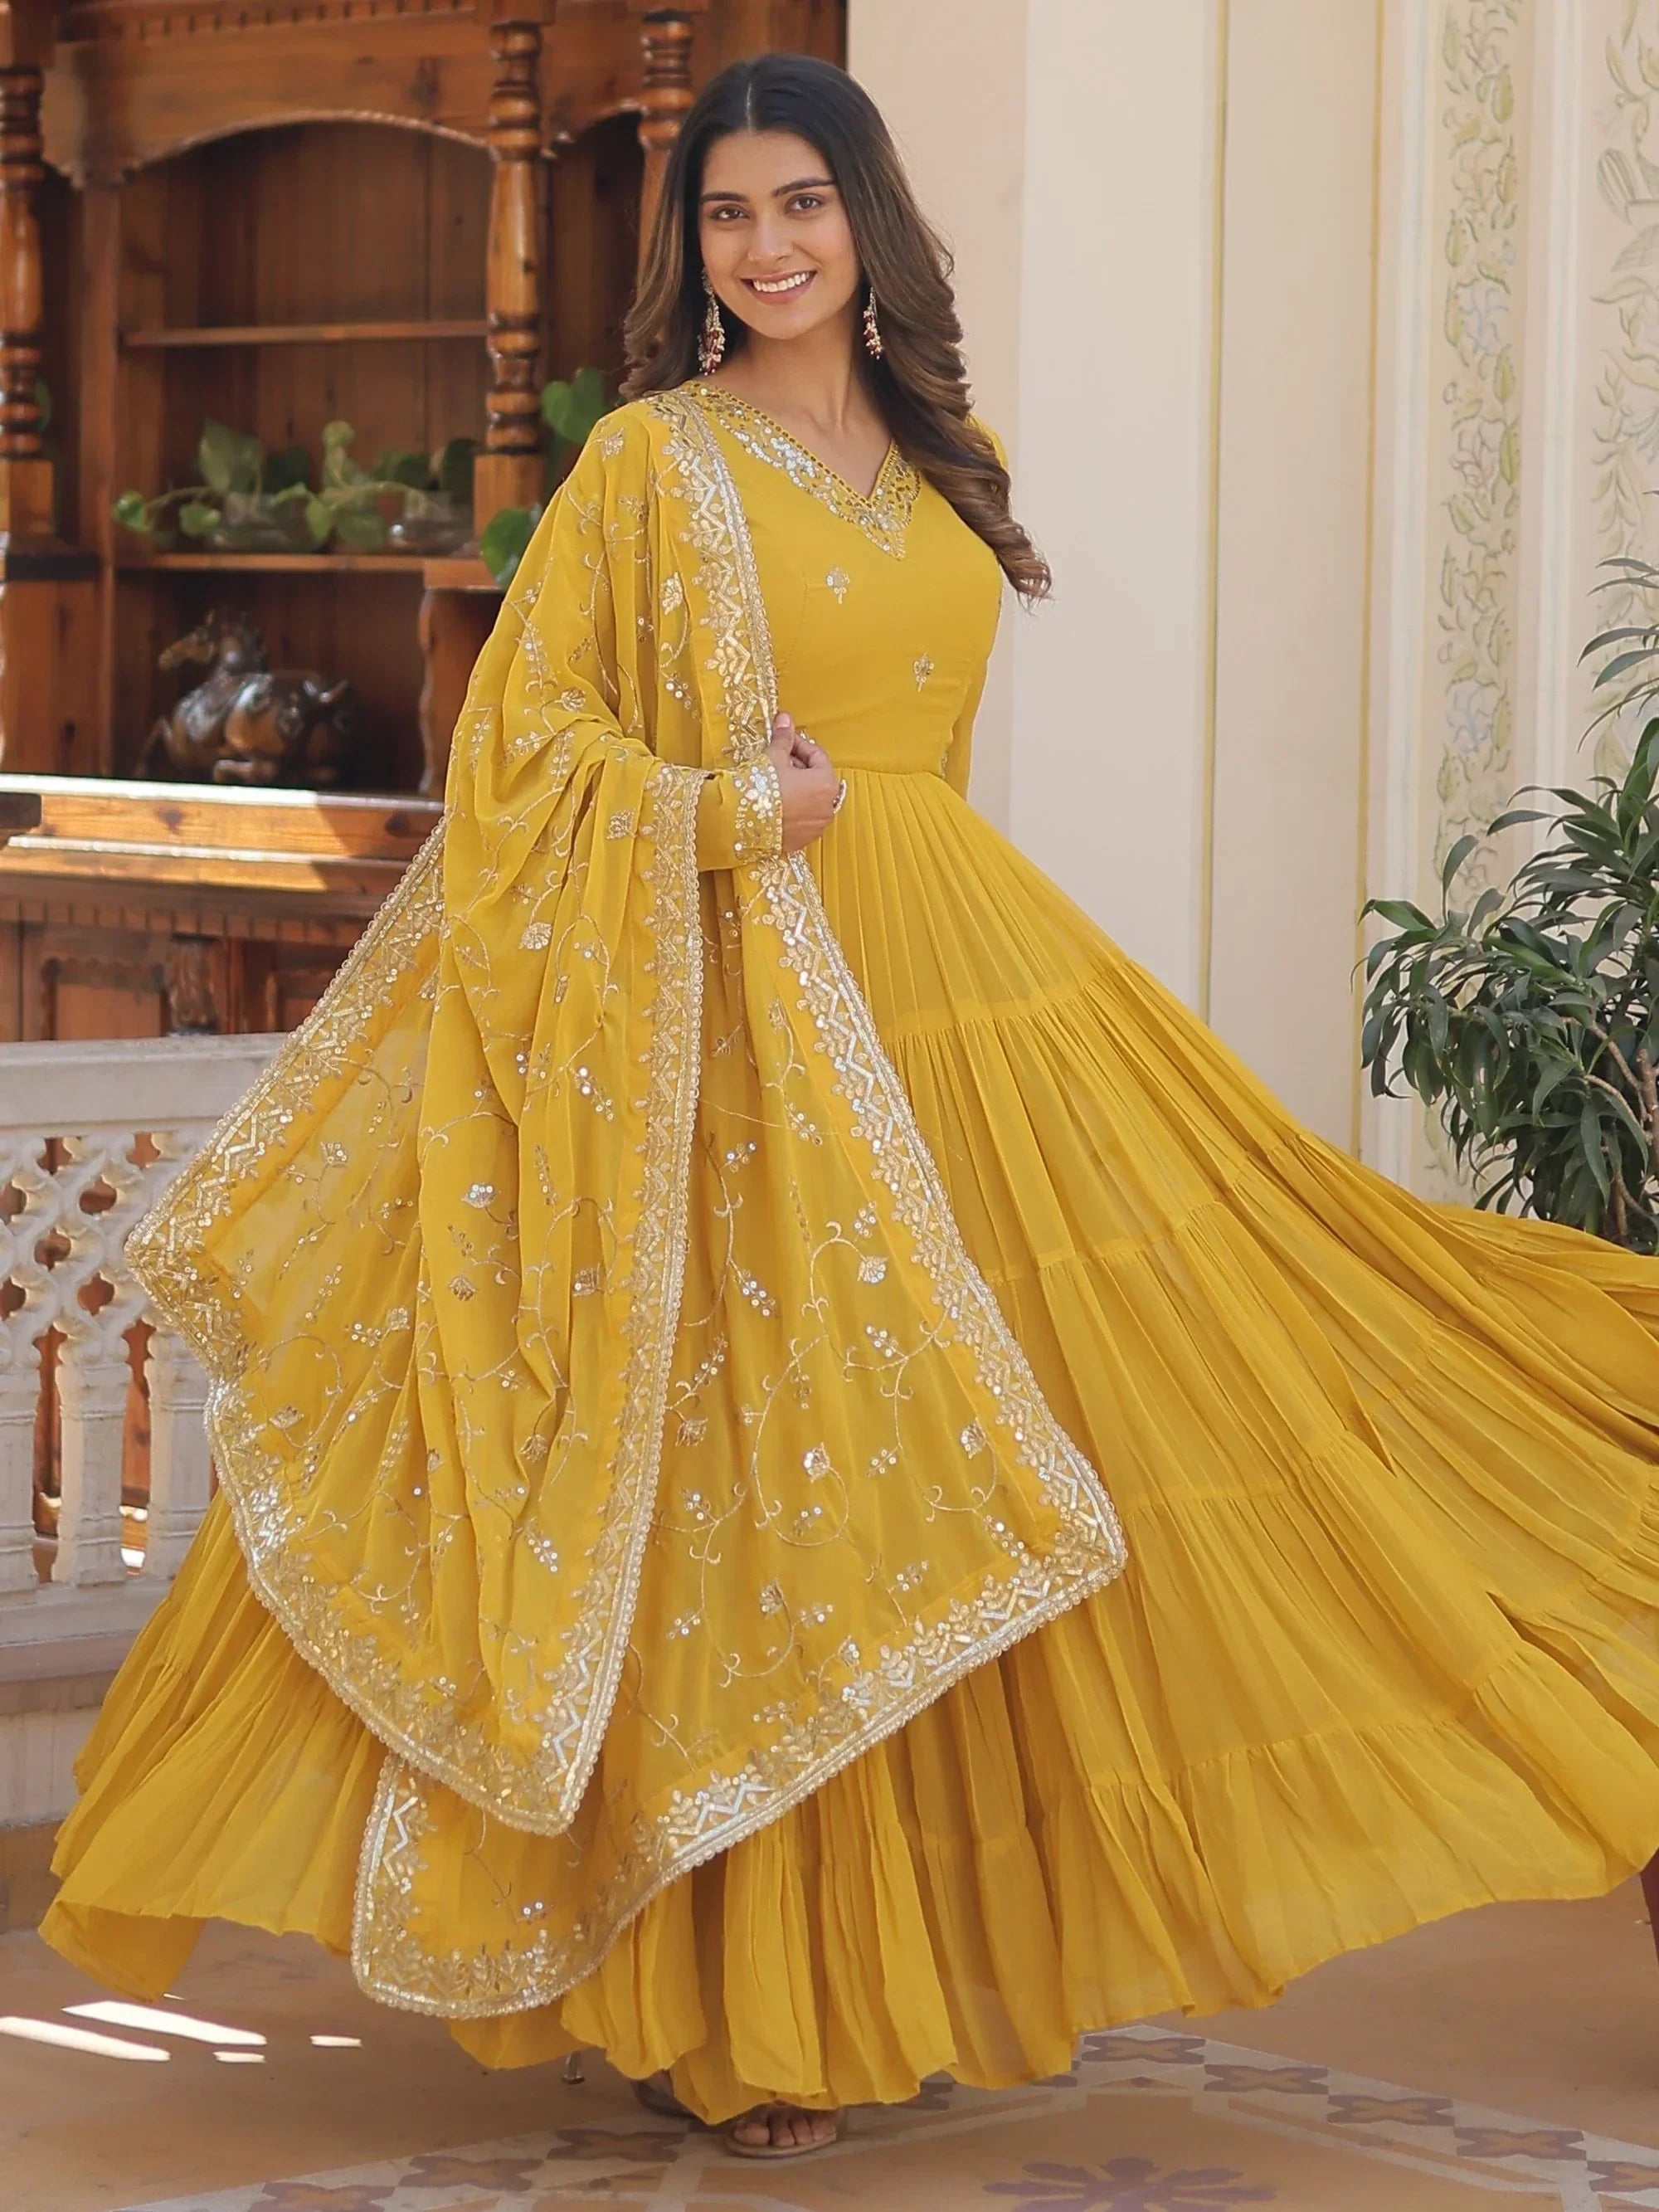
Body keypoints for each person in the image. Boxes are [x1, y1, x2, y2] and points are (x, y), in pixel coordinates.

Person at [42, 51, 1659, 2165]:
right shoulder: (649, 462)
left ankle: (924, 1954)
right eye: (727, 214)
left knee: (1012, 1441)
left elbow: (921, 751)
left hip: (965, 982)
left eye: (800, 204)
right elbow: (518, 752)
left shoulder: (947, 454)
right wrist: (721, 811)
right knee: (766, 1478)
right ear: (692, 246)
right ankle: (735, 2007)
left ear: (865, 219)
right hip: (735, 1004)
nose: (766, 246)